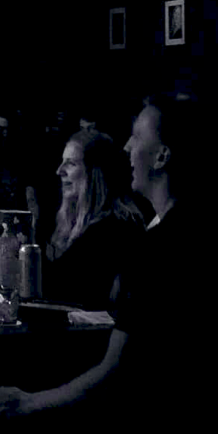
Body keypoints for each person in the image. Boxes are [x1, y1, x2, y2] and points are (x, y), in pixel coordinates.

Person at [0, 93, 218, 434]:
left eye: (136, 137)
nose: (127, 148)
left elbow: (117, 370)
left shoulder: (160, 248)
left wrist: (28, 402)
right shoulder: (212, 231)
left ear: (163, 156)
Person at [41, 127, 146, 312]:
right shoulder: (75, 221)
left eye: (71, 164)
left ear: (95, 173)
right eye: (62, 162)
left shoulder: (114, 228)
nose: (59, 171)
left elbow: (62, 288)